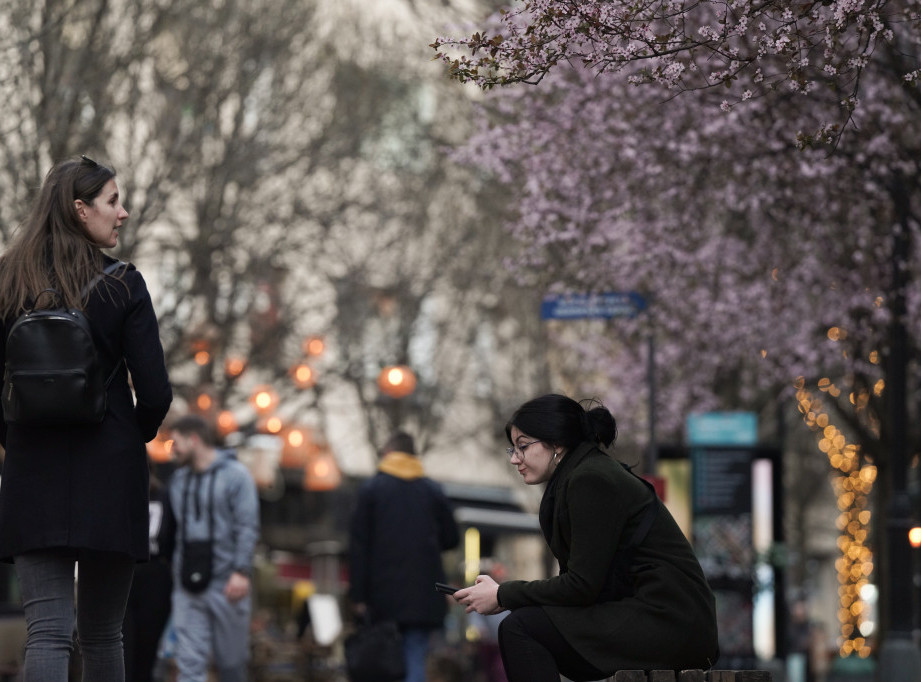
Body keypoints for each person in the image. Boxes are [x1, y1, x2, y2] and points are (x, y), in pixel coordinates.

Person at [0, 155, 173, 681]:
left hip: (32, 473)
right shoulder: (123, 285)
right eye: (113, 201)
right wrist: (128, 437)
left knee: (47, 632)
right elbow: (157, 393)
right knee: (103, 633)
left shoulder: (8, 282)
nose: (123, 213)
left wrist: (16, 441)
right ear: (81, 209)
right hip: (111, 472)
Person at [454, 394, 719, 681]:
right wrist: (505, 595)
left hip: (668, 621)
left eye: (523, 447)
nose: (515, 459)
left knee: (521, 628)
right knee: (528, 625)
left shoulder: (590, 479)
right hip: (658, 616)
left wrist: (503, 594)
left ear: (556, 443)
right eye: (513, 449)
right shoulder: (581, 474)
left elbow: (581, 586)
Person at [348, 431, 460, 682]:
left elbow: (358, 547)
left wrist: (358, 595)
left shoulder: (371, 490)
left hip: (381, 596)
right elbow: (452, 538)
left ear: (388, 452)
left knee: (380, 662)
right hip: (423, 595)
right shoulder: (432, 490)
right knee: (414, 658)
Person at [160, 415, 259, 682]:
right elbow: (170, 533)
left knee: (231, 665)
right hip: (188, 588)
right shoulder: (178, 482)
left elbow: (247, 526)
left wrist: (241, 570)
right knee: (188, 663)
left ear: (194, 439)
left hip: (228, 585)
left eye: (176, 442)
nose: (173, 449)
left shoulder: (237, 476)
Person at [123, 461, 174, 682]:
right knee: (122, 641)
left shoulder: (164, 495)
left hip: (153, 574)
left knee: (147, 643)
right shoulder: (122, 494)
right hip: (128, 572)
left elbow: (172, 536)